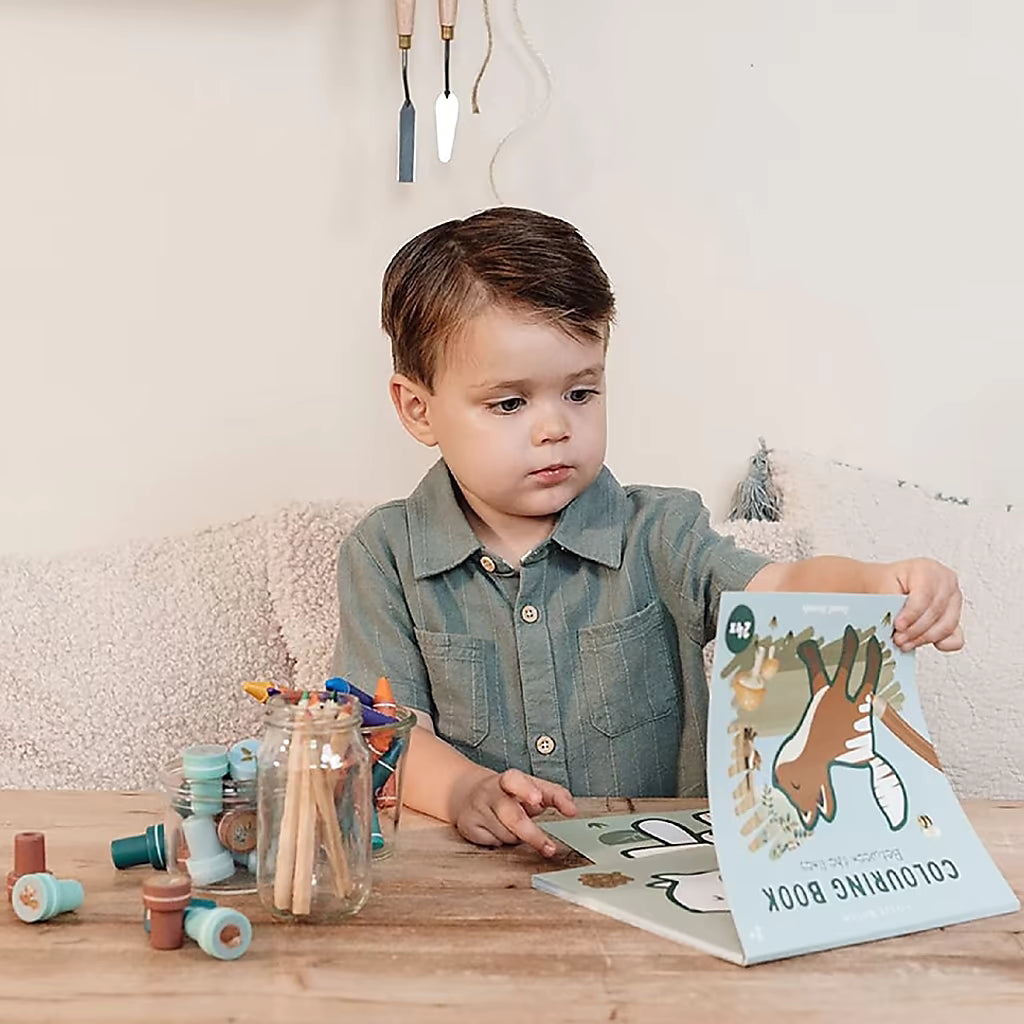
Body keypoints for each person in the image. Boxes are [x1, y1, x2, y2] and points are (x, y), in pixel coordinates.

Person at [332, 206, 963, 858]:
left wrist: (876, 582)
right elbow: (387, 730)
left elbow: (781, 590)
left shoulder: (660, 530)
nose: (555, 428)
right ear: (418, 408)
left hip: (663, 869)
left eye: (580, 393)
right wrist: (466, 790)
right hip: (482, 882)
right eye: (510, 403)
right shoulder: (384, 555)